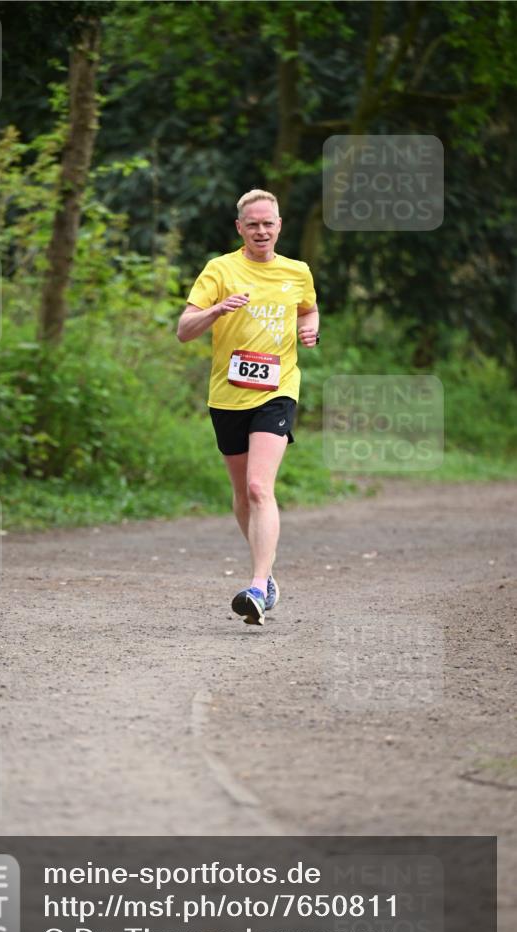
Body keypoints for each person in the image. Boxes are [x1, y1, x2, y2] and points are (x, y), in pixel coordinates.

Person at [177, 189, 319, 625]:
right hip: (227, 395)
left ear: (279, 226)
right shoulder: (220, 269)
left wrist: (309, 330)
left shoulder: (297, 271)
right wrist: (217, 310)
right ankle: (270, 574)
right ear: (240, 228)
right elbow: (184, 330)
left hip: (277, 390)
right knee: (241, 494)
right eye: (252, 224)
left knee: (260, 487)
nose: (261, 230)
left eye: (268, 223)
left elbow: (309, 310)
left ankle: (257, 586)